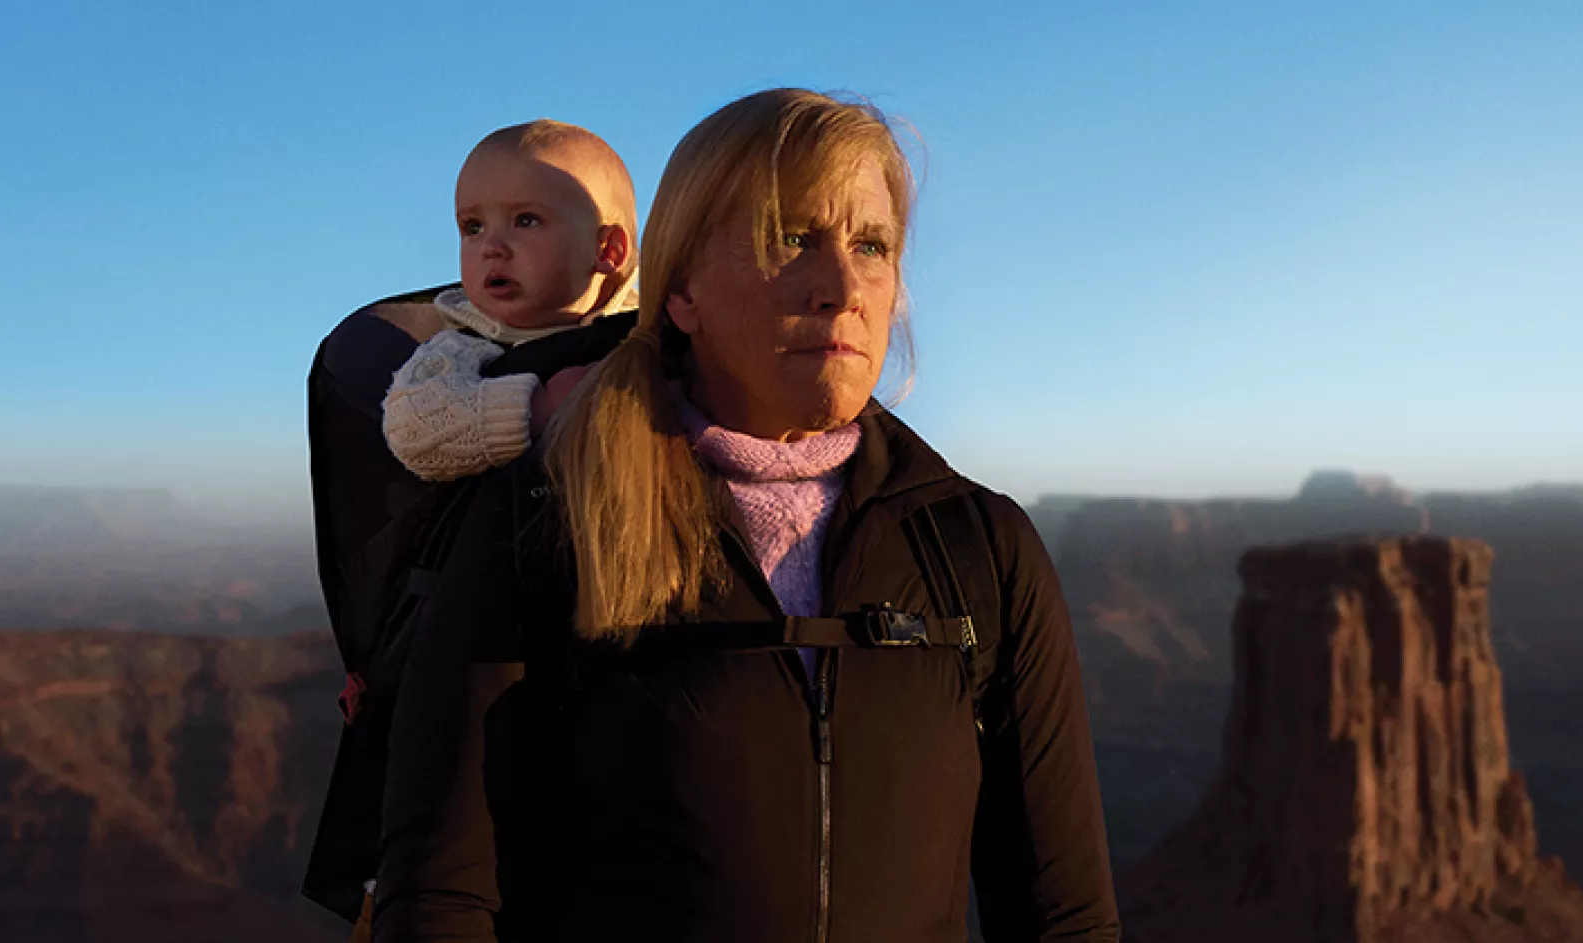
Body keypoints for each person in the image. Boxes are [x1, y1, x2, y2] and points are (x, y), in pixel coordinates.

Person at [374, 89, 1120, 943]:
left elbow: (1065, 918)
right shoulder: (550, 521)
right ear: (681, 288)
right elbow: (439, 897)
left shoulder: (980, 549)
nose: (842, 287)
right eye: (791, 237)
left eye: (872, 245)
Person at [300, 118, 640, 925]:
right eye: (472, 225)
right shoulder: (463, 344)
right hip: (485, 653)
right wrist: (538, 406)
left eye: (526, 221)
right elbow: (420, 427)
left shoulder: (650, 346)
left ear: (610, 252)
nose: (491, 247)